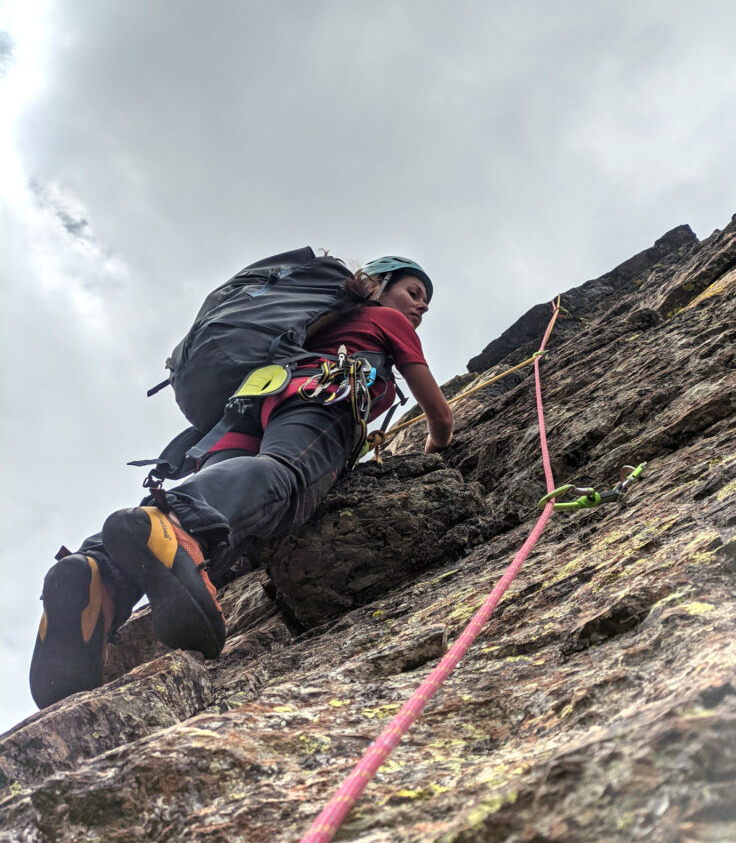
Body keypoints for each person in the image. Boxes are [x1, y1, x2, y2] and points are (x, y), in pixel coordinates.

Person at [29, 256, 454, 708]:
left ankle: (99, 574)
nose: (421, 307)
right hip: (321, 394)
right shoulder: (385, 319)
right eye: (413, 292)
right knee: (287, 475)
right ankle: (174, 526)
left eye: (425, 301)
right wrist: (437, 445)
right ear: (377, 286)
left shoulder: (311, 323)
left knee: (230, 518)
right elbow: (440, 415)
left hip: (249, 405)